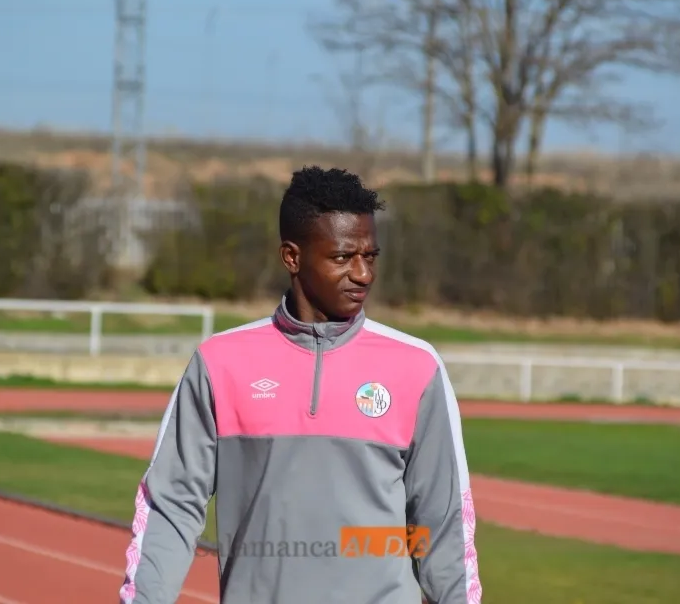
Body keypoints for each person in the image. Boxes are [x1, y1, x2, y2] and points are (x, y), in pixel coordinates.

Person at [118, 165, 483, 604]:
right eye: (343, 257)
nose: (363, 273)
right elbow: (171, 505)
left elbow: (442, 522)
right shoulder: (220, 363)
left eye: (370, 256)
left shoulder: (417, 366)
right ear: (292, 257)